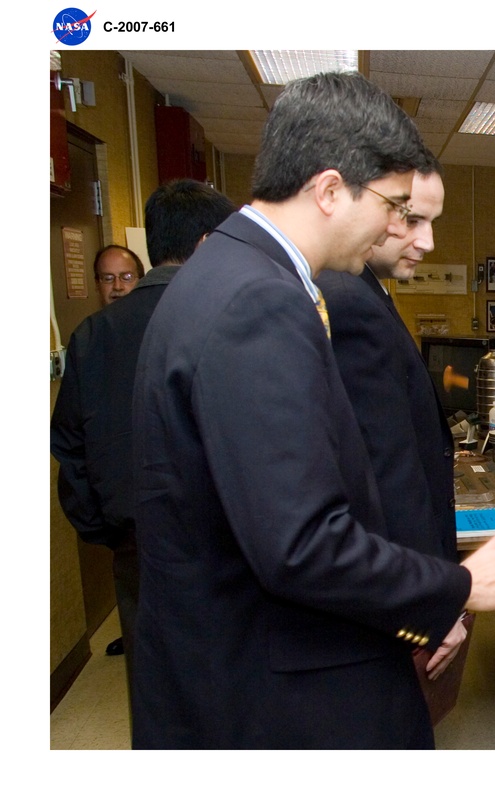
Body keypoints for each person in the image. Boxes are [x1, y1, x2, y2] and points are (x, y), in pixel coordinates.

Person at [130, 71, 495, 749]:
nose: (395, 227)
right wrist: (456, 587)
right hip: (279, 689)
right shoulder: (261, 302)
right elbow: (302, 544)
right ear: (331, 190)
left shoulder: (225, 272)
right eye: (394, 205)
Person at [50, 179, 237, 711]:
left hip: (135, 542)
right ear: (207, 243)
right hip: (221, 547)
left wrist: (105, 528)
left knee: (154, 693)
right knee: (224, 693)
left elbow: (68, 444)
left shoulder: (93, 335)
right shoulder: (228, 320)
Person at [316, 162, 466, 682]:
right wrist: (431, 602)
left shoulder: (365, 290)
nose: (427, 242)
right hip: (393, 593)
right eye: (411, 218)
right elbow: (388, 472)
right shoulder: (347, 301)